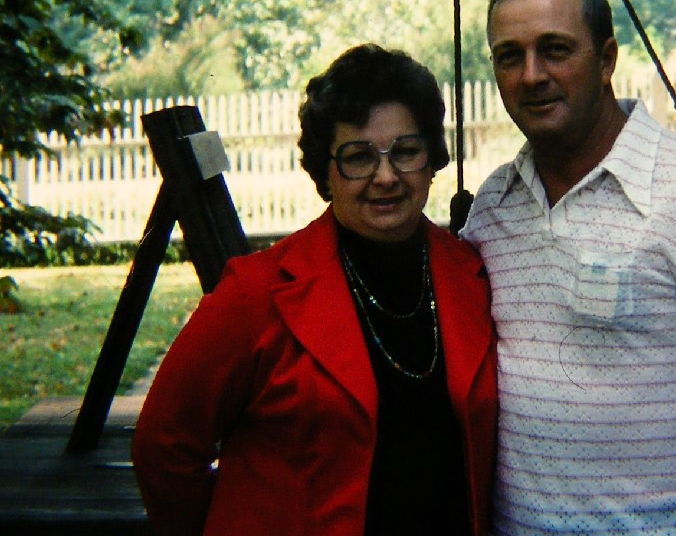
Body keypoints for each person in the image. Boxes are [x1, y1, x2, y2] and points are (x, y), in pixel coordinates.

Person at [459, 0, 676, 534]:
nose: (531, 75)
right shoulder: (494, 206)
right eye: (509, 56)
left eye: (555, 50)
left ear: (606, 59)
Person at [131, 43, 497, 535]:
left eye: (406, 152)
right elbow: (163, 446)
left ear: (432, 159)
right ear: (324, 171)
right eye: (357, 157)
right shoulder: (255, 294)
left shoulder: (472, 274)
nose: (385, 176)